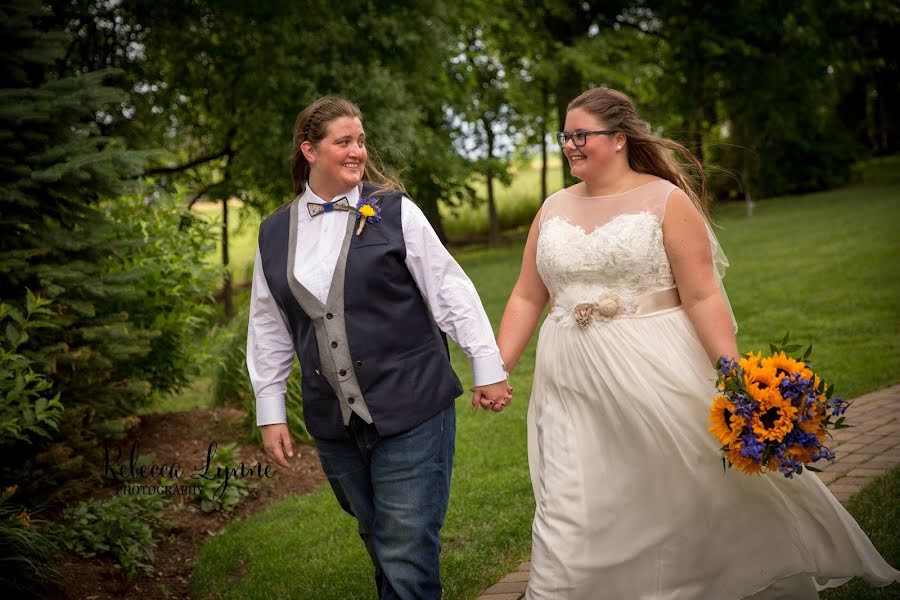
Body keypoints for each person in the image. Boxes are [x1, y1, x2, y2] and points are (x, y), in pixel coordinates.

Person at [486, 87, 899, 599]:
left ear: (618, 138)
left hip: (653, 366)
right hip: (568, 377)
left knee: (680, 489)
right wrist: (496, 365)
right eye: (565, 136)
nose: (570, 145)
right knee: (569, 496)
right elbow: (528, 295)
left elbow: (702, 295)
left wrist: (733, 376)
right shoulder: (552, 208)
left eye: (580, 135)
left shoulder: (665, 200)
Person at [247, 95, 511, 600]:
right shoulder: (274, 232)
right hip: (333, 421)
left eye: (361, 141)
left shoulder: (394, 211)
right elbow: (269, 324)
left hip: (412, 403)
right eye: (343, 141)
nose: (357, 152)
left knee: (406, 547)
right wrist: (270, 410)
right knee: (377, 536)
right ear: (309, 150)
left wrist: (487, 365)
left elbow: (449, 289)